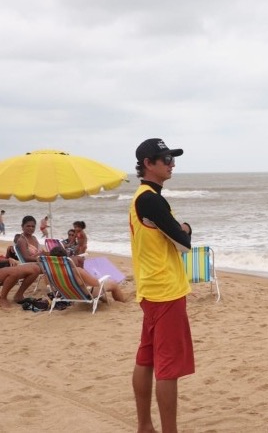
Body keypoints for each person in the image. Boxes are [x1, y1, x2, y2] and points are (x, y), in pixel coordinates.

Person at [129, 138, 193, 433]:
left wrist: (179, 230)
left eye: (172, 158)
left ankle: (145, 425)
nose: (172, 164)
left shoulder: (141, 197)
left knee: (146, 357)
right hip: (165, 291)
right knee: (167, 368)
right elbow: (183, 243)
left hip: (150, 288)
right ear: (148, 164)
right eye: (166, 159)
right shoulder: (151, 199)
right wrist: (186, 229)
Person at [47, 246, 128, 303]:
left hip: (70, 295)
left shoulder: (50, 273)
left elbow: (49, 285)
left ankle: (105, 301)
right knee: (113, 284)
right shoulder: (76, 271)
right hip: (86, 295)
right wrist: (98, 277)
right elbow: (96, 283)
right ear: (66, 258)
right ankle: (122, 302)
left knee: (88, 285)